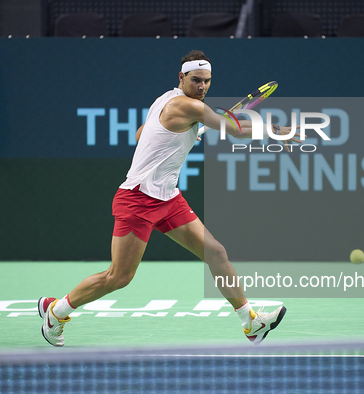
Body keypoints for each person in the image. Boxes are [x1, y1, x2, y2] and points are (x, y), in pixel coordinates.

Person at [38, 50, 297, 347]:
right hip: (138, 200)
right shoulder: (188, 107)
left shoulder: (167, 101)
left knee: (215, 252)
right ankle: (56, 313)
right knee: (119, 277)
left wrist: (186, 131)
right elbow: (235, 130)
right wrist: (276, 130)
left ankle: (250, 322)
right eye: (196, 80)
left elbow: (140, 134)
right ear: (181, 77)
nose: (202, 87)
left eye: (207, 81)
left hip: (168, 198)